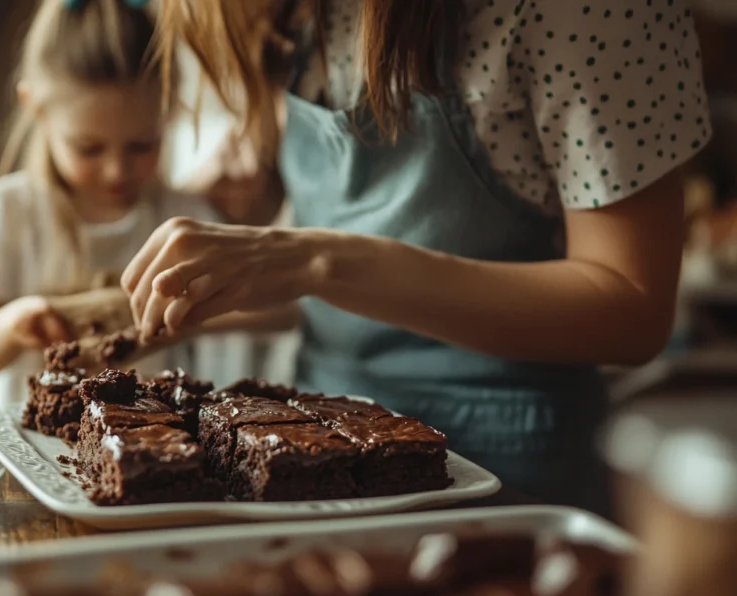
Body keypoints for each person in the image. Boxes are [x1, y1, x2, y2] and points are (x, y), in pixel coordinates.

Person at [122, 0, 711, 513]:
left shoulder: (581, 11)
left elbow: (632, 309)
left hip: (508, 484)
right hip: (305, 468)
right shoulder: (303, 13)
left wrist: (318, 260)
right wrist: (121, 311)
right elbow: (335, 296)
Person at [0, 0, 221, 410]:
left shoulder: (183, 218)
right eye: (89, 148)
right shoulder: (5, 210)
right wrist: (12, 324)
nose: (116, 171)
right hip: (26, 442)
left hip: (146, 445)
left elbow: (254, 308)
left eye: (141, 146)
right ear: (37, 110)